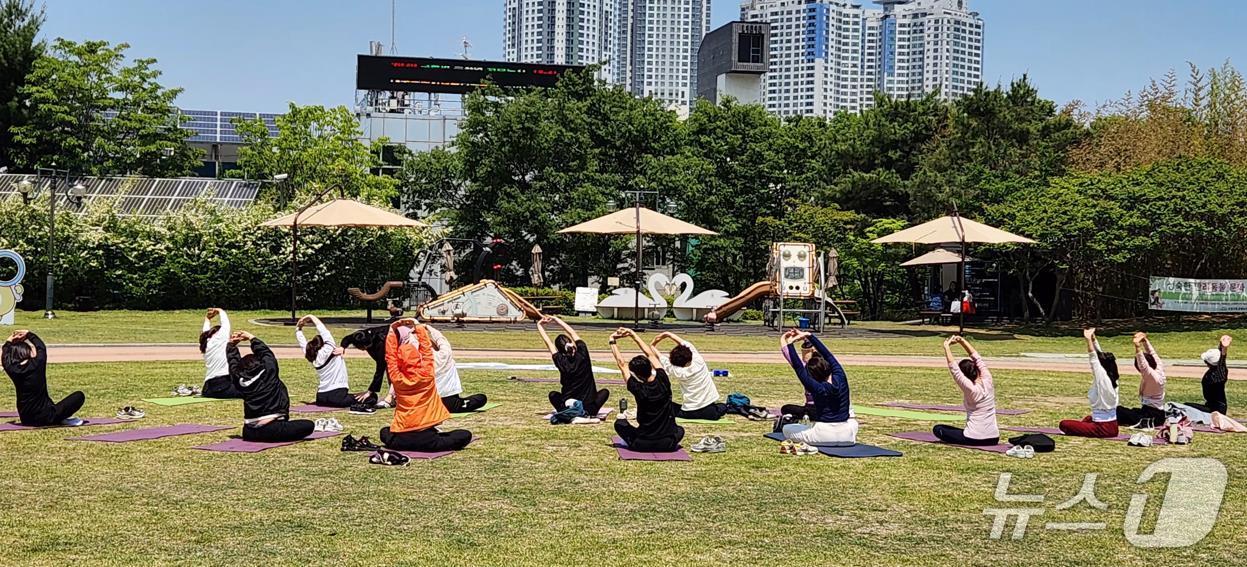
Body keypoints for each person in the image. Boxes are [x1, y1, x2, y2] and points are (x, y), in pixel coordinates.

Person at [379, 318, 472, 452]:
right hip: (427, 438)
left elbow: (390, 356)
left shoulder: (397, 378)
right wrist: (418, 326)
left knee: (384, 432)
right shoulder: (426, 374)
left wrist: (392, 331)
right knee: (464, 435)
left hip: (402, 436)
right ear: (418, 358)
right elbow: (427, 350)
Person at [226, 331, 314, 442]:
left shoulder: (239, 379)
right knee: (309, 425)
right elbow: (266, 353)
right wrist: (251, 337)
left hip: (249, 432)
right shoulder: (269, 371)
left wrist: (231, 345)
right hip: (273, 429)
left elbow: (233, 363)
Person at [610, 327, 683, 452]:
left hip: (642, 443)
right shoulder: (663, 379)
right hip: (667, 443)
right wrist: (633, 334)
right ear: (650, 366)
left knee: (619, 423)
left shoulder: (637, 388)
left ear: (637, 375)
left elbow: (622, 364)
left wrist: (612, 341)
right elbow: (650, 354)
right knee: (680, 430)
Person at [779, 329, 857, 446]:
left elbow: (798, 367)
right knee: (853, 423)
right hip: (847, 436)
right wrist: (809, 336)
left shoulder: (816, 387)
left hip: (823, 434)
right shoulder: (841, 377)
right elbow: (828, 355)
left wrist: (790, 343)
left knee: (788, 429)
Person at [2, 330, 85, 426]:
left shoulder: (13, 369)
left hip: (25, 418)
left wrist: (8, 342)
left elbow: (5, 359)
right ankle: (59, 419)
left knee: (50, 403)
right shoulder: (37, 364)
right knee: (79, 396)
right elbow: (41, 347)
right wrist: (29, 334)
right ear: (27, 352)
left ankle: (58, 418)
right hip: (46, 416)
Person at [296, 315, 376, 408]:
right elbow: (322, 329)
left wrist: (298, 328)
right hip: (337, 396)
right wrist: (311, 317)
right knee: (372, 397)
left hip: (321, 397)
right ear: (323, 344)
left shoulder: (313, 356)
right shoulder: (329, 348)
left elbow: (302, 342)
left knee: (356, 396)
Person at [932, 335, 999, 445]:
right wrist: (962, 341)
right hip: (994, 437)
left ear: (965, 375)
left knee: (938, 429)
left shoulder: (970, 389)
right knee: (950, 429)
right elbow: (977, 358)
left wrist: (946, 347)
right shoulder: (988, 380)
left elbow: (954, 370)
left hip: (973, 438)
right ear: (976, 369)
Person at [537, 316, 609, 416]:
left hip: (568, 404)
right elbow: (572, 333)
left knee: (553, 395)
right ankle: (586, 413)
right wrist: (557, 320)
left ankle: (566, 411)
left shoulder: (560, 360)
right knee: (604, 392)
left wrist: (539, 325)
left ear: (559, 350)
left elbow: (548, 343)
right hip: (588, 406)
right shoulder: (582, 353)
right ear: (571, 343)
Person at [650, 331, 727, 420]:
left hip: (689, 411)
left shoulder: (676, 370)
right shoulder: (698, 361)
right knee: (723, 406)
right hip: (710, 412)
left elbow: (660, 357)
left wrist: (653, 345)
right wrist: (669, 334)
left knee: (665, 406)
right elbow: (685, 344)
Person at [1058, 328, 1120, 438]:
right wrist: (1094, 339)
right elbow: (1100, 358)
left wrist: (1088, 340)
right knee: (1087, 418)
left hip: (1102, 428)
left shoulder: (1102, 379)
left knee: (1064, 424)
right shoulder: (1113, 378)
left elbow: (1094, 360)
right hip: (1113, 426)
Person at [426, 324, 487, 413]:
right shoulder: (445, 354)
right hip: (449, 403)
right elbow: (441, 339)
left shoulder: (417, 360)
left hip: (425, 402)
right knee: (481, 398)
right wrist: (428, 327)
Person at [1116, 332, 1166, 427]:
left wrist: (1137, 347)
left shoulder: (1152, 377)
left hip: (1153, 416)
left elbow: (1143, 365)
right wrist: (1145, 341)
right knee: (1127, 411)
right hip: (1151, 412)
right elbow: (1153, 354)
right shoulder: (1159, 369)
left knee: (1119, 411)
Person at [341, 324, 394, 408]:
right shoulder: (359, 335)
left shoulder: (380, 343)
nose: (363, 350)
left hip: (397, 343)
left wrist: (370, 391)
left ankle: (391, 398)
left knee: (392, 370)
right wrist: (342, 347)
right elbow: (347, 339)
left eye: (365, 348)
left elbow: (380, 369)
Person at [200, 308, 242, 399]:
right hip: (222, 385)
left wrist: (207, 319)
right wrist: (220, 311)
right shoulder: (219, 338)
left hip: (207, 388)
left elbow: (205, 332)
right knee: (253, 390)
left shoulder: (206, 343)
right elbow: (226, 324)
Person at [1187, 335, 1232, 415]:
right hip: (1210, 406)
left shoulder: (1217, 376)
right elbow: (1220, 357)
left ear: (1208, 363)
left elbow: (1221, 360)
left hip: (1216, 411)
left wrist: (1225, 348)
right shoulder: (1216, 370)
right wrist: (1222, 344)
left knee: (1185, 407)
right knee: (1186, 406)